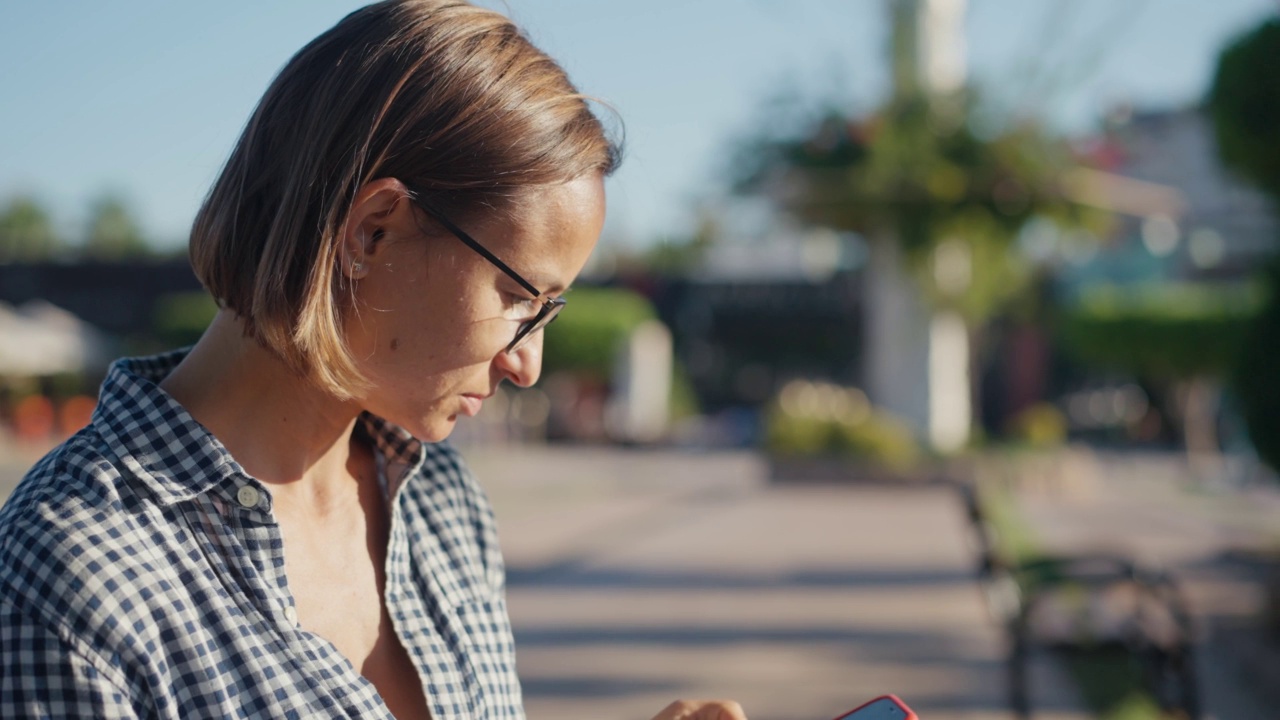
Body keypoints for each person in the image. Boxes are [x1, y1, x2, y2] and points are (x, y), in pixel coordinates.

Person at [0, 2, 747, 719]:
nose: (529, 365)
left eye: (551, 310)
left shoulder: (440, 501)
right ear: (371, 232)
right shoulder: (69, 581)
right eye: (521, 297)